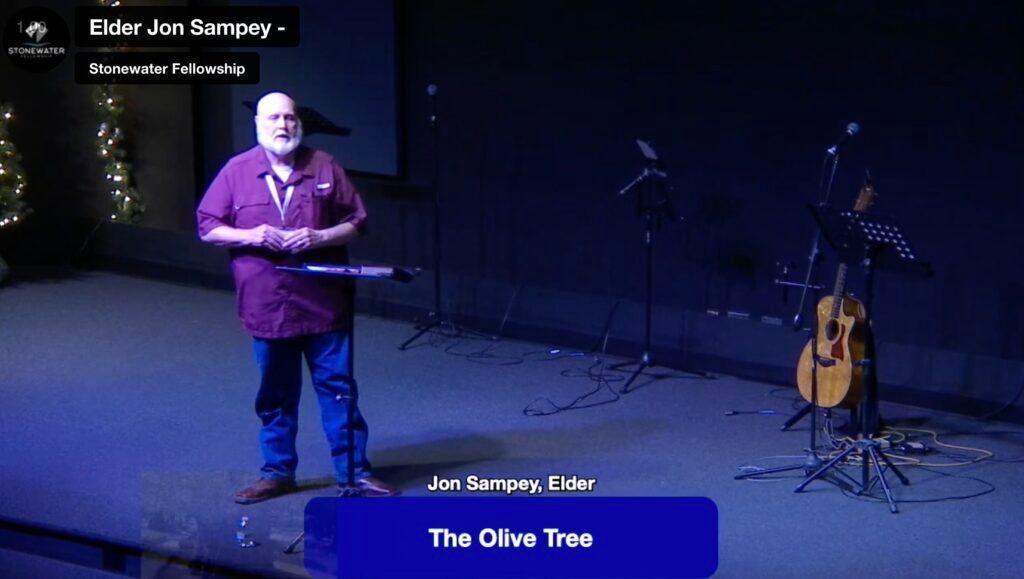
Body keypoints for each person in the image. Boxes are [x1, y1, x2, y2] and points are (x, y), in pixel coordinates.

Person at [196, 91, 397, 502]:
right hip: (267, 303)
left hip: (324, 303)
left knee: (339, 389)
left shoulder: (324, 165)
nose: (282, 126)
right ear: (258, 125)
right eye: (273, 118)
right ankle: (276, 473)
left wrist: (322, 235)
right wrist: (249, 235)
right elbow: (207, 225)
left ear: (298, 123)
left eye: (289, 118)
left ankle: (355, 472)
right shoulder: (237, 171)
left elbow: (357, 222)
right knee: (276, 394)